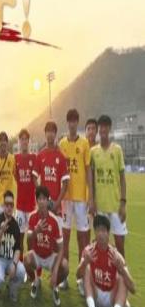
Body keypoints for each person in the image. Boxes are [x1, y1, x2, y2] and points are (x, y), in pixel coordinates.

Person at [76, 215, 135, 307]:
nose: (100, 234)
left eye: (103, 230)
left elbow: (133, 288)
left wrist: (122, 270)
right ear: (95, 232)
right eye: (98, 230)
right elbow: (78, 275)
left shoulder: (115, 255)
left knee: (123, 277)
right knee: (86, 269)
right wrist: (85, 262)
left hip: (111, 301)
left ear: (108, 233)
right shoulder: (89, 251)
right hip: (95, 297)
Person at [59, 109, 91, 293]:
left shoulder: (84, 143)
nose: (72, 124)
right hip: (66, 199)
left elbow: (88, 171)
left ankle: (81, 278)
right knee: (65, 238)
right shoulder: (62, 144)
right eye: (69, 120)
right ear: (67, 123)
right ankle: (64, 277)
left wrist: (90, 195)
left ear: (77, 123)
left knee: (82, 239)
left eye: (74, 121)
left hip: (80, 199)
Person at [88, 115, 127, 258]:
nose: (103, 129)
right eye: (101, 127)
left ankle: (121, 271)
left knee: (120, 244)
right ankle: (103, 271)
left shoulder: (117, 150)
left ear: (109, 128)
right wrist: (91, 200)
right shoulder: (93, 152)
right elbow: (91, 178)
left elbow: (122, 178)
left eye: (105, 126)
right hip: (100, 207)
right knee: (101, 244)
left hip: (116, 206)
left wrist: (123, 203)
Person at [24, 186, 69, 307]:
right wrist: (36, 231)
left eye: (44, 199)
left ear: (48, 201)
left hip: (50, 256)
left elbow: (61, 248)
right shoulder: (32, 216)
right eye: (39, 199)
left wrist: (55, 272)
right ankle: (35, 281)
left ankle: (55, 286)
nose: (42, 202)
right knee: (26, 259)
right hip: (37, 255)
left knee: (65, 266)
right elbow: (28, 239)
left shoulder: (54, 220)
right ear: (36, 200)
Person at [32, 121, 69, 225]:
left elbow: (65, 183)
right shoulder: (40, 155)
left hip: (56, 206)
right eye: (48, 131)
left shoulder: (61, 156)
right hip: (43, 205)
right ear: (45, 134)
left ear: (55, 134)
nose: (50, 134)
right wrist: (41, 197)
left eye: (52, 131)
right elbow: (34, 177)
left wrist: (57, 203)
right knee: (43, 232)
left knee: (57, 233)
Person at [0, 191, 25, 302]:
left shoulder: (15, 225)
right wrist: (1, 230)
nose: (9, 207)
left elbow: (18, 248)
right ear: (3, 205)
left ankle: (12, 286)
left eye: (11, 205)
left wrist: (14, 264)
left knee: (21, 271)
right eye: (7, 204)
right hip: (0, 259)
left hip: (11, 259)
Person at [0, 131, 16, 272]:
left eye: (4, 141)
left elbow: (15, 175)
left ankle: (10, 260)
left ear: (7, 143)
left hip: (10, 202)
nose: (2, 143)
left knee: (10, 232)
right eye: (0, 141)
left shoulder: (12, 159)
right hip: (0, 201)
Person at [14, 129, 36, 261]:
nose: (24, 141)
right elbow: (15, 177)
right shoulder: (15, 158)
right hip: (20, 206)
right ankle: (20, 265)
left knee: (31, 238)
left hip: (31, 205)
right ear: (19, 141)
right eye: (21, 139)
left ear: (29, 141)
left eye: (26, 139)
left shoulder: (34, 158)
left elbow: (35, 180)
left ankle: (30, 265)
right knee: (20, 237)